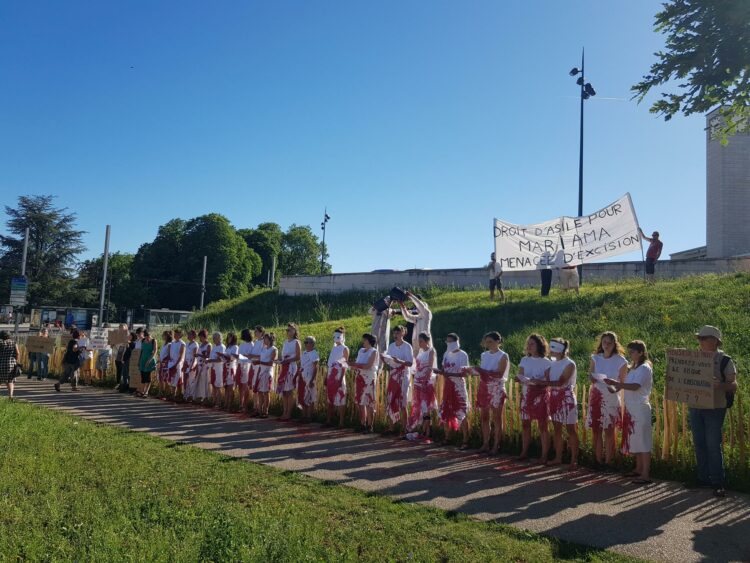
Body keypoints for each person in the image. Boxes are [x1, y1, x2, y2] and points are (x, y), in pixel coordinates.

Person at [689, 325, 738, 498]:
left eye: (703, 338)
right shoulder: (693, 358)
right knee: (699, 443)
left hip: (715, 408)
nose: (700, 341)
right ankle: (703, 478)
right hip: (695, 406)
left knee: (712, 444)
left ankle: (718, 481)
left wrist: (721, 385)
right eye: (699, 338)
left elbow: (734, 385)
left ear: (714, 341)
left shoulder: (725, 360)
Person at [605, 340, 653, 485]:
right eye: (630, 351)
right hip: (632, 408)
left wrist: (617, 384)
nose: (630, 354)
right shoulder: (634, 368)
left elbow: (635, 386)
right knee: (636, 441)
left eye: (633, 352)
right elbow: (625, 385)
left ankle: (645, 474)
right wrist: (613, 388)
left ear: (640, 352)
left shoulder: (645, 368)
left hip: (640, 407)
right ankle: (638, 469)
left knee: (644, 442)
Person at [587, 331, 628, 467]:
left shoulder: (621, 361)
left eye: (609, 342)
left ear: (614, 344)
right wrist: (592, 378)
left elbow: (622, 383)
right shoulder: (595, 358)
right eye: (604, 342)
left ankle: (608, 461)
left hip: (610, 396)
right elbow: (590, 375)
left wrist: (614, 388)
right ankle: (598, 460)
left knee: (609, 430)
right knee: (596, 429)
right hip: (596, 395)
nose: (606, 345)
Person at [467, 331, 509, 455]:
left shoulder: (503, 356)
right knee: (484, 417)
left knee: (497, 418)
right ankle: (485, 443)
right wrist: (474, 371)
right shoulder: (484, 355)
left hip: (496, 388)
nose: (488, 344)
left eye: (491, 341)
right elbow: (483, 372)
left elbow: (499, 374)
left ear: (498, 342)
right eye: (487, 342)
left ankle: (496, 445)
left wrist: (481, 370)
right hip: (484, 387)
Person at [516, 334, 552, 463]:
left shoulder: (546, 362)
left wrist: (537, 381)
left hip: (540, 396)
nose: (529, 346)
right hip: (526, 394)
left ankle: (544, 455)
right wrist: (519, 378)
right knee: (525, 424)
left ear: (539, 345)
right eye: (528, 344)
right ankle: (524, 451)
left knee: (542, 425)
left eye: (532, 344)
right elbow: (520, 375)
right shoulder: (524, 360)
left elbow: (548, 381)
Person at [543, 338, 579, 468]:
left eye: (553, 347)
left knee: (571, 429)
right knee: (557, 429)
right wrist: (546, 376)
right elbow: (549, 379)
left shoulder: (569, 364)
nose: (550, 350)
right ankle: (558, 457)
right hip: (554, 396)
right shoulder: (551, 363)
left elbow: (560, 382)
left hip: (566, 398)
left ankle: (574, 460)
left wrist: (542, 382)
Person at [436, 333, 470, 448]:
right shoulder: (446, 354)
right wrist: (440, 372)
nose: (449, 344)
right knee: (446, 410)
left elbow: (464, 373)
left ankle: (465, 440)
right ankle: (447, 437)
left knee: (462, 412)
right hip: (448, 386)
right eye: (447, 342)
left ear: (457, 342)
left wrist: (448, 374)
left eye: (451, 341)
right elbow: (443, 368)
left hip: (458, 387)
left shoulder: (463, 355)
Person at [382, 325, 413, 435]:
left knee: (403, 403)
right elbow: (389, 361)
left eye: (398, 333)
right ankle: (392, 428)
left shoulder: (407, 346)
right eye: (394, 333)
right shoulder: (391, 346)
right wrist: (384, 359)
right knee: (391, 401)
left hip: (404, 377)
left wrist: (399, 361)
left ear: (403, 333)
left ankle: (405, 428)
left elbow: (410, 363)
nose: (396, 335)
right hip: (393, 376)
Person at [408, 332, 438, 440]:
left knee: (426, 407)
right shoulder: (420, 352)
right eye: (418, 341)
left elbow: (430, 367)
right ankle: (423, 430)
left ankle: (427, 432)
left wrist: (425, 381)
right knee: (420, 407)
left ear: (426, 341)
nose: (419, 343)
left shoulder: (431, 351)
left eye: (421, 341)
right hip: (418, 382)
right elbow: (416, 367)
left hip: (426, 382)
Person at [348, 333, 380, 433]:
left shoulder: (374, 351)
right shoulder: (361, 351)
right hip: (360, 378)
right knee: (360, 402)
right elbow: (358, 363)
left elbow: (368, 366)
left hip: (369, 379)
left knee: (369, 402)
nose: (363, 342)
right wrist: (351, 366)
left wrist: (354, 364)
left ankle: (370, 426)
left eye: (365, 340)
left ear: (370, 341)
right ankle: (363, 423)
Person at [325, 327, 349, 428]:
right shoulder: (333, 348)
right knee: (330, 398)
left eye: (339, 336)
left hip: (339, 376)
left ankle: (341, 422)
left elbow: (345, 365)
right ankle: (329, 420)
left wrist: (340, 379)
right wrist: (326, 377)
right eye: (335, 336)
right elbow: (329, 365)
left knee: (341, 398)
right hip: (330, 375)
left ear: (343, 337)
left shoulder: (345, 348)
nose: (336, 338)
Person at [277, 324, 301, 421]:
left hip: (291, 367)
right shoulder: (285, 342)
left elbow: (298, 357)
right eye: (287, 330)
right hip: (284, 367)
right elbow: (282, 356)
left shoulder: (296, 342)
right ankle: (284, 411)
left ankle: (289, 413)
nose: (288, 332)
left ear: (295, 331)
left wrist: (288, 360)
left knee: (289, 391)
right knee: (284, 391)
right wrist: (279, 360)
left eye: (290, 330)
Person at [400, 291, 433, 357]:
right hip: (416, 342)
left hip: (425, 341)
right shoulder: (417, 317)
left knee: (426, 359)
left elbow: (420, 305)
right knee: (416, 361)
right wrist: (402, 307)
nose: (417, 308)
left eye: (419, 307)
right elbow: (407, 317)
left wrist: (411, 296)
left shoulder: (427, 314)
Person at [255, 332, 277, 418]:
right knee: (260, 392)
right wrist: (258, 374)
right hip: (261, 372)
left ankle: (266, 410)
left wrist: (260, 362)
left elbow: (271, 363)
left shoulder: (274, 349)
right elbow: (260, 363)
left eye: (266, 338)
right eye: (264, 338)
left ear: (270, 339)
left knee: (266, 392)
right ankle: (260, 410)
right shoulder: (263, 349)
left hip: (268, 373)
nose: (264, 340)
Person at [298, 336, 320, 422]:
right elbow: (301, 365)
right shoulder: (303, 353)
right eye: (305, 342)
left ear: (312, 344)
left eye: (307, 342)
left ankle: (309, 416)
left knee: (310, 397)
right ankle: (304, 415)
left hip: (310, 378)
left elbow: (315, 368)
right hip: (303, 377)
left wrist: (312, 380)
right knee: (303, 396)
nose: (306, 344)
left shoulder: (314, 353)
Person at [248, 325, 266, 416]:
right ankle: (255, 407)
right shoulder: (255, 342)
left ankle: (260, 408)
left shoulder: (264, 342)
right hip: (253, 366)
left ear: (261, 332)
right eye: (254, 331)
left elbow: (263, 355)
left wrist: (253, 356)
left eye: (256, 331)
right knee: (254, 388)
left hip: (260, 367)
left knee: (259, 388)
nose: (254, 333)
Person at [237, 328, 254, 412]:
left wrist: (244, 356)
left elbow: (251, 357)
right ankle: (240, 403)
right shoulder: (241, 344)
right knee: (240, 385)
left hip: (247, 365)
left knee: (245, 386)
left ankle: (245, 405)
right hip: (240, 365)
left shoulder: (252, 345)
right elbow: (239, 355)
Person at [208, 332, 226, 408]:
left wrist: (211, 360)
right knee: (213, 384)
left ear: (219, 338)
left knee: (218, 386)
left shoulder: (222, 347)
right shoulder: (214, 347)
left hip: (219, 368)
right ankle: (214, 401)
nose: (213, 339)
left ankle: (219, 402)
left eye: (215, 338)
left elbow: (220, 360)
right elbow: (212, 357)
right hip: (213, 368)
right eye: (213, 337)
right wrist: (209, 360)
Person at [137, 330, 158, 398]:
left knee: (148, 376)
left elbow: (155, 351)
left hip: (150, 360)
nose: (146, 338)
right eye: (145, 337)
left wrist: (149, 360)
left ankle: (146, 391)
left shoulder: (153, 341)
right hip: (143, 359)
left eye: (147, 336)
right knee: (143, 376)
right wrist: (139, 360)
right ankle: (142, 391)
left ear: (149, 335)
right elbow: (141, 351)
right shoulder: (143, 340)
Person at [193, 329, 212, 403]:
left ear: (204, 337)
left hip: (205, 365)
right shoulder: (201, 345)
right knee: (200, 380)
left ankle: (206, 397)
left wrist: (199, 355)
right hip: (199, 364)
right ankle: (200, 396)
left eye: (201, 337)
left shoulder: (208, 345)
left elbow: (208, 355)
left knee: (205, 381)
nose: (200, 339)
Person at [168, 328, 186, 400]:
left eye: (177, 334)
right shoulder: (172, 342)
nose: (175, 335)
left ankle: (179, 395)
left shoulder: (182, 343)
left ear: (180, 335)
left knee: (178, 379)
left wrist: (176, 364)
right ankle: (173, 395)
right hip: (171, 363)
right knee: (172, 380)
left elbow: (181, 356)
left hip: (178, 364)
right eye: (174, 334)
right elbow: (170, 353)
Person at [0, 331, 19, 399]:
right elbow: (17, 353)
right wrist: (16, 361)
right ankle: (10, 396)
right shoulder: (14, 342)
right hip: (11, 364)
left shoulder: (1, 343)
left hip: (1, 363)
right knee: (10, 380)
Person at [182, 330, 199, 401]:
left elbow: (195, 356)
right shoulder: (187, 343)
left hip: (192, 364)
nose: (188, 336)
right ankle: (186, 395)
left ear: (194, 336)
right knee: (185, 380)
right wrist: (184, 364)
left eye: (190, 335)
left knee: (191, 380)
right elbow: (185, 355)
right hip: (186, 363)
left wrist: (192, 366)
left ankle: (191, 396)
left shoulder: (195, 344)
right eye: (188, 334)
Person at [158, 330, 173, 397]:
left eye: (164, 335)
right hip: (161, 363)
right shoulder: (164, 344)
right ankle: (161, 392)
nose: (163, 336)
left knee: (166, 379)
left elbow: (169, 355)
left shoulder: (170, 344)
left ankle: (168, 393)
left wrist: (165, 361)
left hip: (166, 364)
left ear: (167, 336)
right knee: (160, 378)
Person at [114, 324, 129, 388]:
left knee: (124, 370)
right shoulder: (116, 335)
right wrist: (112, 344)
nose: (121, 329)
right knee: (118, 370)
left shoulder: (128, 336)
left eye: (122, 328)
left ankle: (124, 384)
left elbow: (128, 346)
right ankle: (118, 383)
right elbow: (114, 345)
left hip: (124, 355)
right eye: (120, 328)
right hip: (117, 354)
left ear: (126, 328)